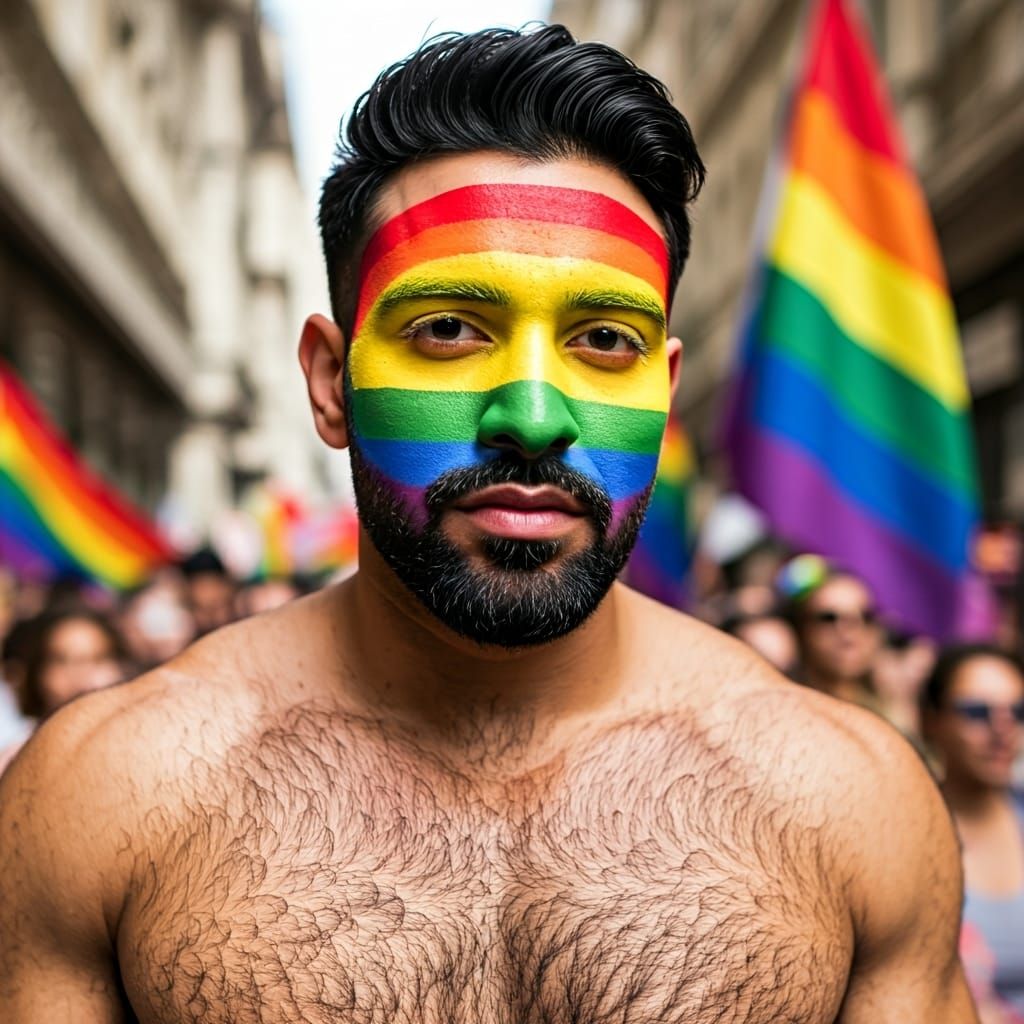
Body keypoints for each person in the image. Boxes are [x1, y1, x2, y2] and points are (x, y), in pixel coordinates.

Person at [0, 25, 975, 1022]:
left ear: (666, 391)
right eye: (450, 329)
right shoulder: (106, 795)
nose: (535, 415)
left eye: (604, 339)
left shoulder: (848, 799)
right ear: (332, 383)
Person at [922, 645, 1024, 1022]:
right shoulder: (907, 836)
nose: (1002, 729)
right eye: (977, 712)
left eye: (1017, 711)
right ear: (931, 719)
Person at [781, 555, 885, 711]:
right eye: (829, 618)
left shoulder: (894, 720)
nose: (849, 633)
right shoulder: (783, 709)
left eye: (866, 617)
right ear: (801, 628)